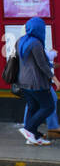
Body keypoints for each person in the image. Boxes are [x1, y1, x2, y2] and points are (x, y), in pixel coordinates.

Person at [16, 17, 55, 145]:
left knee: (33, 107)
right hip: (36, 83)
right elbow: (42, 65)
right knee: (48, 106)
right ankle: (29, 130)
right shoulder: (36, 43)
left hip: (23, 81)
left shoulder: (21, 41)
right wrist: (55, 79)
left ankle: (33, 137)